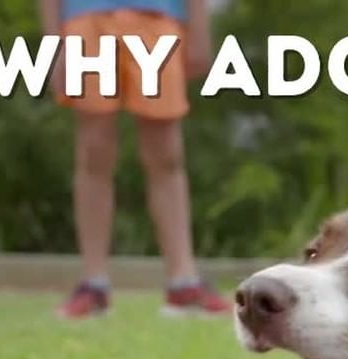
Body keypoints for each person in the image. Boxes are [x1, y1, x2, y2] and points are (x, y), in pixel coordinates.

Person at [39, 0, 230, 318]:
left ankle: (183, 282)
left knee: (166, 153)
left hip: (159, 18)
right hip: (87, 17)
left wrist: (199, 30)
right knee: (93, 151)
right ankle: (94, 284)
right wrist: (52, 43)